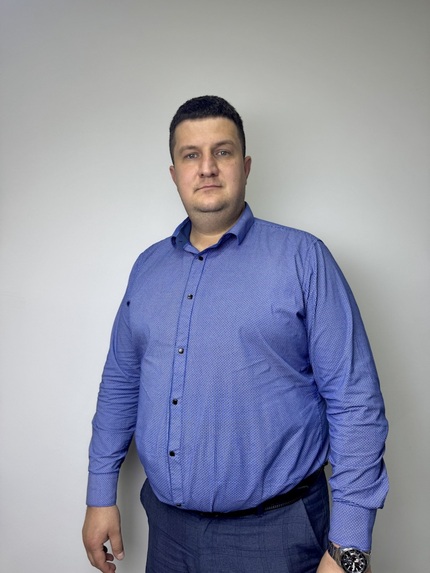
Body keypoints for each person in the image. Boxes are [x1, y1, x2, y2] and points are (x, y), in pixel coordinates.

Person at [82, 95, 388, 573]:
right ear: (174, 173)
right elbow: (121, 382)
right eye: (191, 155)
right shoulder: (147, 268)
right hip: (168, 535)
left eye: (221, 152)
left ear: (244, 166)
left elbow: (355, 401)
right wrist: (100, 493)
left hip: (276, 537)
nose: (207, 167)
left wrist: (349, 546)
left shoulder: (304, 259)